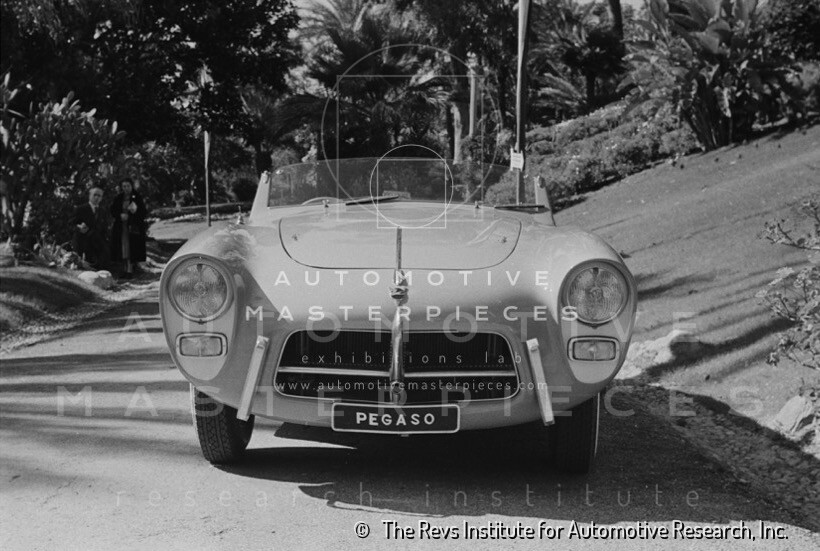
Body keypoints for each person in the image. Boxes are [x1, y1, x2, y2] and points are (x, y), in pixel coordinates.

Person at [110, 178, 147, 278]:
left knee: (131, 248)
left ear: (131, 186)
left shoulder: (137, 197)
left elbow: (143, 212)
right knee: (123, 248)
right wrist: (120, 215)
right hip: (121, 227)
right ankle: (124, 269)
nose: (126, 188)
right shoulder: (118, 197)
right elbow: (113, 210)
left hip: (133, 227)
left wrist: (134, 213)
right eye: (124, 186)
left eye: (128, 186)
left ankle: (130, 270)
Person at [71, 186, 109, 268]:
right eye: (95, 195)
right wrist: (79, 228)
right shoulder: (80, 209)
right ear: (89, 195)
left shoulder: (103, 211)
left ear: (101, 198)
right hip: (82, 244)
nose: (97, 197)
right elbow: (71, 224)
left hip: (97, 247)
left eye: (99, 196)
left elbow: (104, 229)